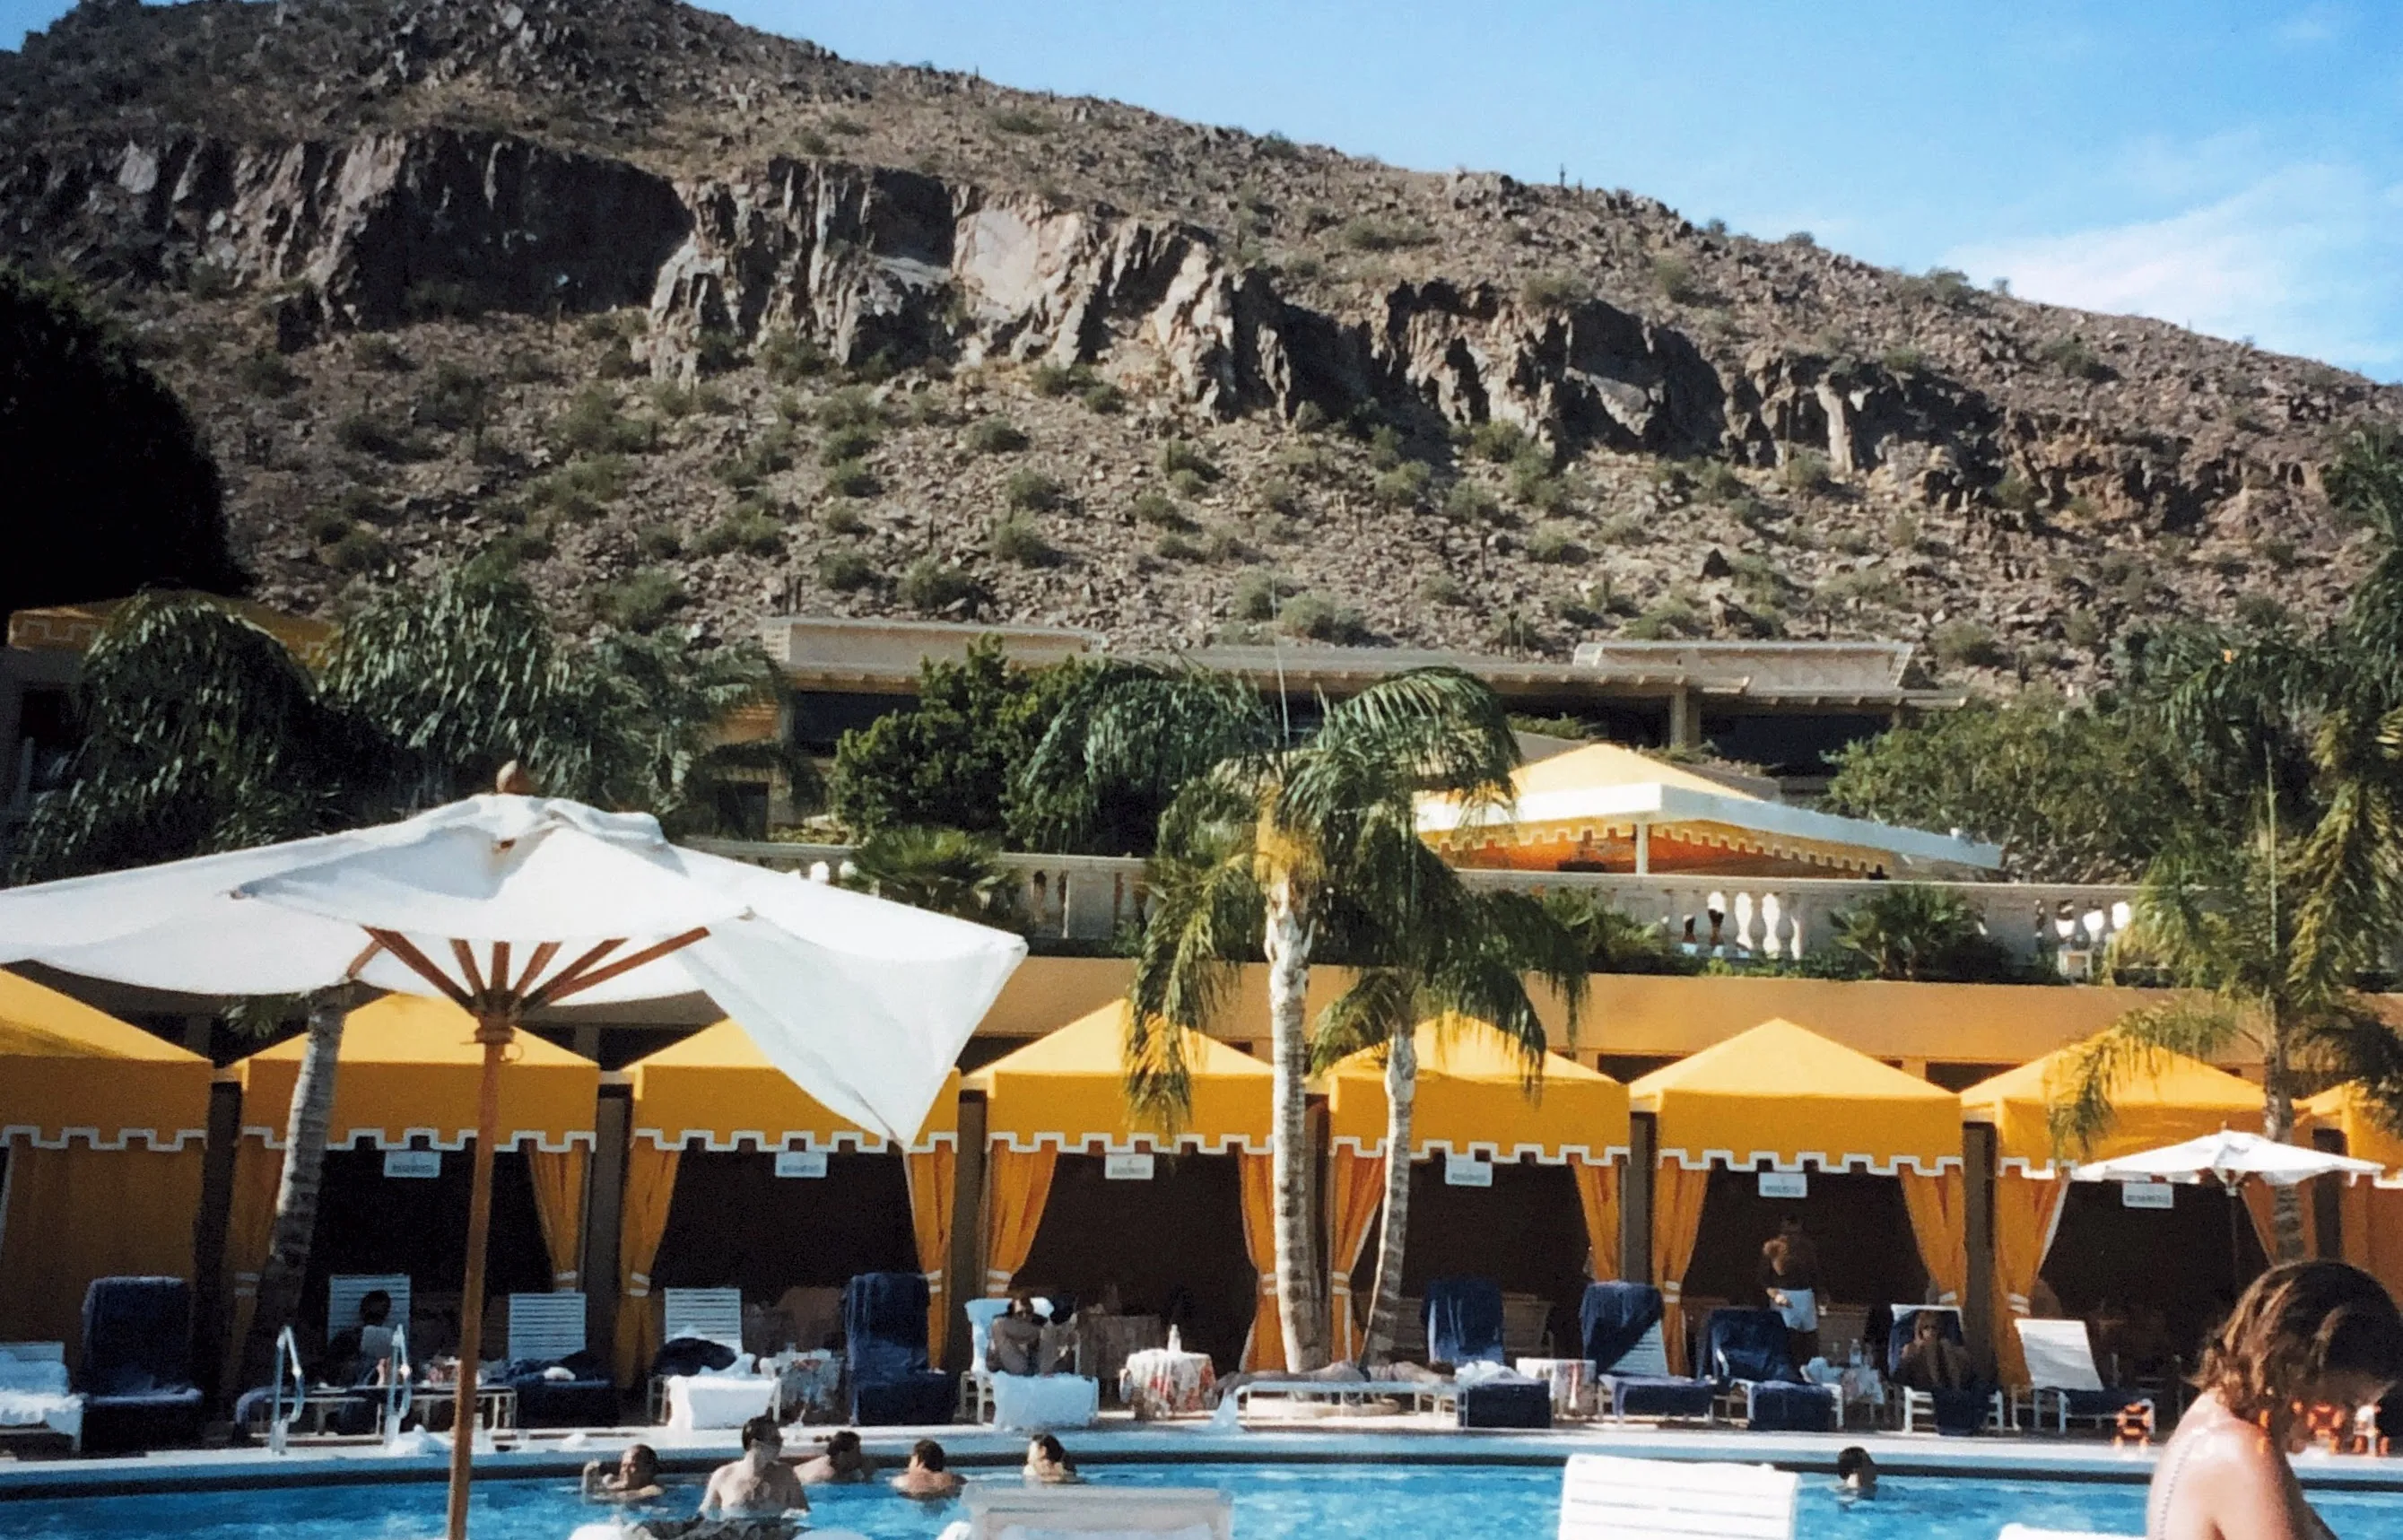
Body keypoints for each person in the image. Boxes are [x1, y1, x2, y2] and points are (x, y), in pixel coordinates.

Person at [2146, 1260, 2403, 1540]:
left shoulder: (2216, 1430)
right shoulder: (2239, 1453)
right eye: (2349, 1404)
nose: (2346, 1433)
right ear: (2297, 1365)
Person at [699, 1415, 808, 1518]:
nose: (781, 1444)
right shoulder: (723, 1476)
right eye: (775, 1440)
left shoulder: (785, 1475)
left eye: (781, 1439)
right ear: (755, 1443)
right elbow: (706, 1516)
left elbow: (803, 1513)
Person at [1757, 1214, 1822, 1362]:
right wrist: (1775, 1295)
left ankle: (1810, 1372)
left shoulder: (1808, 1247)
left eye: (1796, 1233)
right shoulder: (1772, 1247)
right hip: (1783, 1296)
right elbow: (1762, 1278)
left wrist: (1820, 1294)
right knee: (1786, 1340)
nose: (1793, 1238)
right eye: (1789, 1233)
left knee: (1810, 1340)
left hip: (1806, 1296)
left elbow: (1815, 1275)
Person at [1894, 1312, 1978, 1393]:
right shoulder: (1912, 1349)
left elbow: (1965, 1373)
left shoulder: (1949, 1348)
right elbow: (1901, 1378)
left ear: (1939, 1329)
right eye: (1926, 1327)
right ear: (1920, 1330)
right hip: (1924, 1394)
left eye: (1934, 1327)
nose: (1930, 1331)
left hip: (1950, 1394)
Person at [583, 1443, 665, 1502]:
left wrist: (605, 1491)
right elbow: (589, 1500)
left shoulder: (654, 1489)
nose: (626, 1470)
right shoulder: (612, 1481)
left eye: (633, 1466)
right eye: (624, 1465)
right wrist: (588, 1479)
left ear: (648, 1470)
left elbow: (629, 1496)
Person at [989, 1294, 1045, 1378]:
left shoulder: (1042, 1326)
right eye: (1019, 1313)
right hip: (1013, 1368)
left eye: (1029, 1312)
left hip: (1039, 1370)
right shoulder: (1001, 1328)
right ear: (1012, 1316)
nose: (1025, 1316)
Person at [892, 1438, 964, 1501]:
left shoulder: (902, 1480)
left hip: (917, 1496)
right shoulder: (954, 1478)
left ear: (920, 1461)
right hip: (944, 1495)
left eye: (912, 1459)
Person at [795, 1428, 872, 1484]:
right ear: (842, 1455)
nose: (860, 1456)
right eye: (857, 1452)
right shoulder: (829, 1477)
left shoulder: (831, 1461)